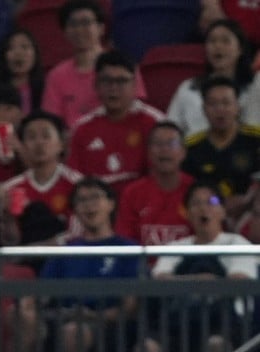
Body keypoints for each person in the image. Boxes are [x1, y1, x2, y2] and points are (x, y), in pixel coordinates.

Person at [38, 177, 141, 352]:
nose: (88, 206)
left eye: (95, 198)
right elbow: (42, 295)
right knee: (21, 315)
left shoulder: (128, 249)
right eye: (81, 201)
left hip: (112, 326)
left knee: (74, 332)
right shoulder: (65, 251)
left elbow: (130, 308)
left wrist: (94, 316)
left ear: (111, 204)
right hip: (65, 318)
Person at [150, 181, 258, 352]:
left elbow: (238, 280)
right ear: (187, 213)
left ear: (223, 211)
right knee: (148, 348)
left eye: (211, 202)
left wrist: (186, 285)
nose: (203, 208)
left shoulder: (236, 243)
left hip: (225, 323)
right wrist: (202, 281)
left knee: (216, 346)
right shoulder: (176, 247)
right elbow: (160, 280)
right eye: (195, 203)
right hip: (178, 322)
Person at [66, 50, 164, 198]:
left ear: (134, 85)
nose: (114, 88)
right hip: (95, 208)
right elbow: (74, 180)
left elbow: (160, 176)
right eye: (106, 81)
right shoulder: (81, 129)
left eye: (121, 81)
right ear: (96, 85)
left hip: (142, 203)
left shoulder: (155, 123)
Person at [41, 0, 148, 128]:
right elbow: (52, 122)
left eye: (86, 23)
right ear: (65, 32)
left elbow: (136, 110)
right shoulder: (56, 76)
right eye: (73, 24)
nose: (79, 29)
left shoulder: (124, 66)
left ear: (101, 28)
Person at [0, 111, 83, 247]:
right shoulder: (11, 188)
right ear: (22, 145)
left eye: (46, 136)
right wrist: (8, 219)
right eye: (31, 137)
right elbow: (10, 242)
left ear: (61, 144)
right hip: (25, 261)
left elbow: (78, 234)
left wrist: (38, 250)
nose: (39, 143)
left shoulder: (77, 184)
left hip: (66, 258)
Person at [182, 75, 260, 220]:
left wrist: (247, 201)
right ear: (204, 109)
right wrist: (217, 204)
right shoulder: (191, 147)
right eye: (213, 104)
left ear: (238, 107)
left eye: (226, 103)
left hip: (250, 214)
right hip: (205, 216)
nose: (220, 109)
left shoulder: (255, 141)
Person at [168, 18, 260, 137]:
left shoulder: (254, 87)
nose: (218, 46)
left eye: (225, 41)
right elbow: (170, 130)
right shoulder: (189, 88)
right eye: (212, 41)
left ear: (240, 49)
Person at [114, 121, 194, 246]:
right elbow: (125, 242)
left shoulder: (196, 191)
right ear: (149, 152)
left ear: (183, 152)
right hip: (144, 265)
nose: (165, 149)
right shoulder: (132, 193)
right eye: (158, 144)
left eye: (172, 143)